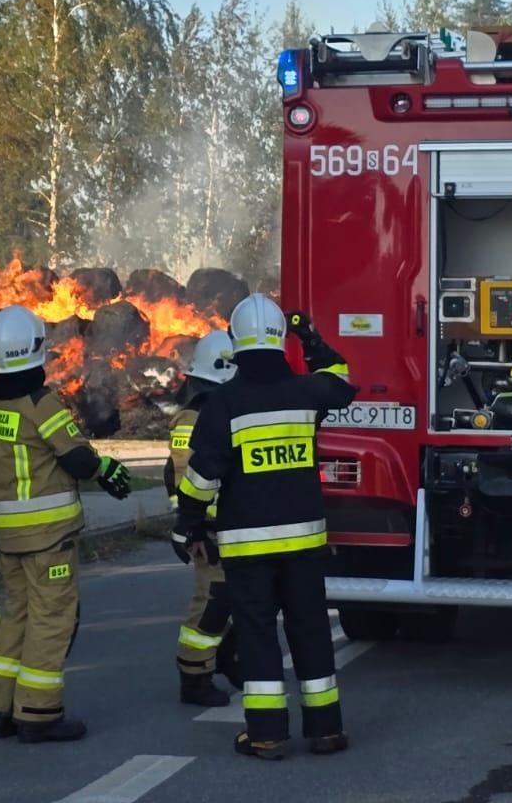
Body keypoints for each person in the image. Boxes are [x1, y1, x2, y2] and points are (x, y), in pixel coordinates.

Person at [174, 296, 355, 761]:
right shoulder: (306, 392)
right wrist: (309, 338)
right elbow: (341, 380)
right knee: (311, 630)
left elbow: (201, 477)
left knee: (257, 636)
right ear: (279, 339)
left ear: (235, 343)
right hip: (305, 543)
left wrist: (187, 526)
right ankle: (326, 729)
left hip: (248, 546)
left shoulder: (223, 403)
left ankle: (267, 734)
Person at [0, 304, 134, 743]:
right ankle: (39, 713)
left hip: (8, 535)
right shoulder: (40, 403)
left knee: (19, 618)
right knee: (53, 620)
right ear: (36, 352)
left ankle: (1, 707)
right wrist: (104, 469)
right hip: (47, 537)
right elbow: (78, 457)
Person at [165, 329, 239, 707]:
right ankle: (194, 675)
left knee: (229, 599)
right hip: (208, 532)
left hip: (218, 527)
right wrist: (194, 527)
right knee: (210, 603)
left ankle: (223, 658)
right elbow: (186, 475)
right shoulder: (199, 419)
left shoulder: (201, 414)